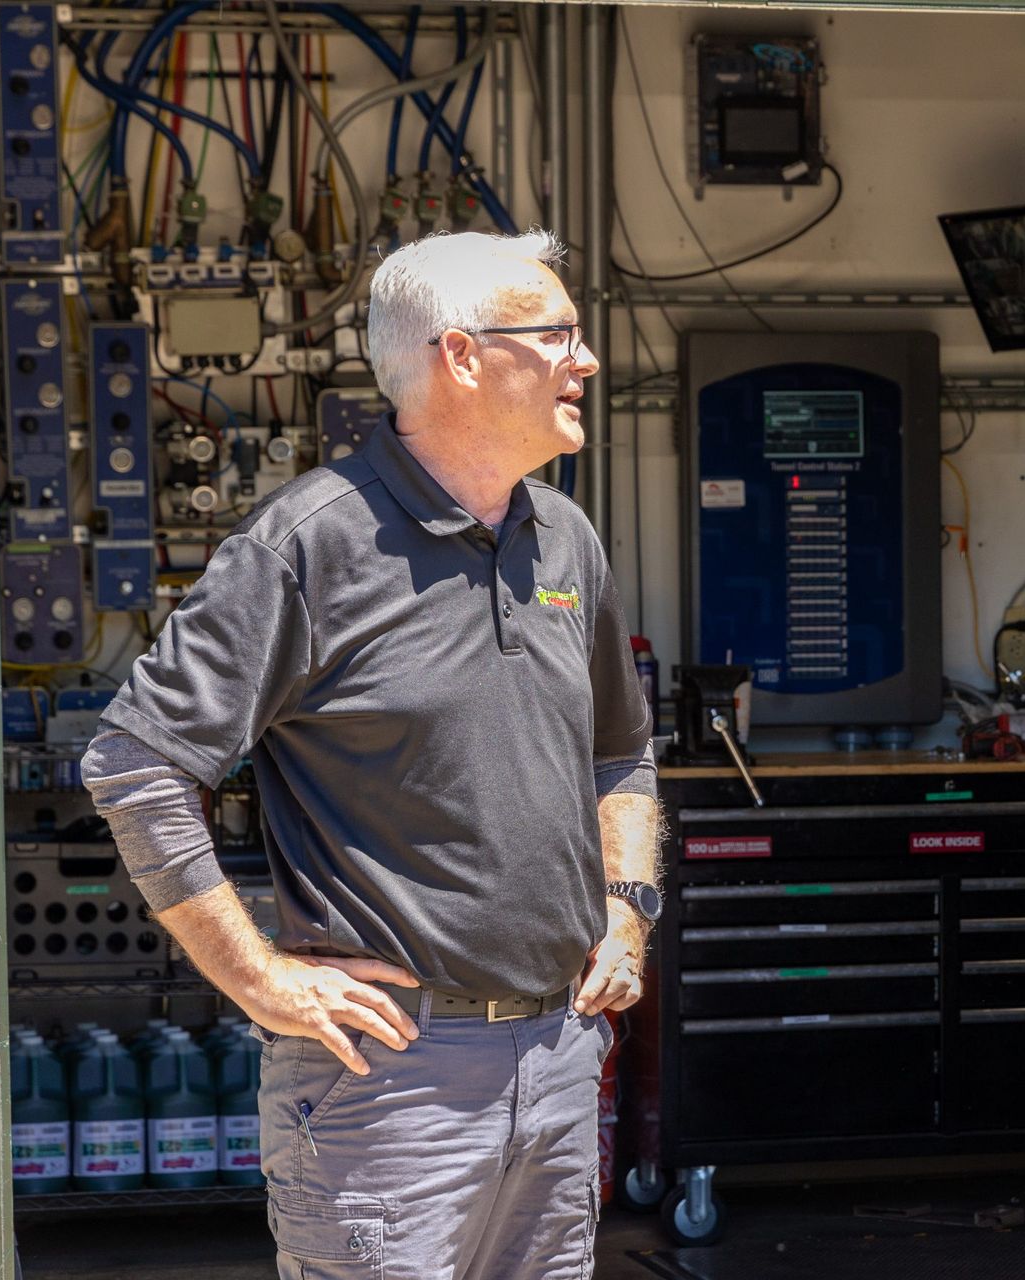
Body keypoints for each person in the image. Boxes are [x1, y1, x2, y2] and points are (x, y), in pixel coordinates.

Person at [82, 229, 661, 1278]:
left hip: (563, 1060)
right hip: (393, 1079)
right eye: (560, 334)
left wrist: (628, 903)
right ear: (464, 355)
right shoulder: (311, 541)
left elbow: (619, 752)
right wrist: (259, 977)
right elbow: (134, 761)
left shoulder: (566, 537)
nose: (586, 360)